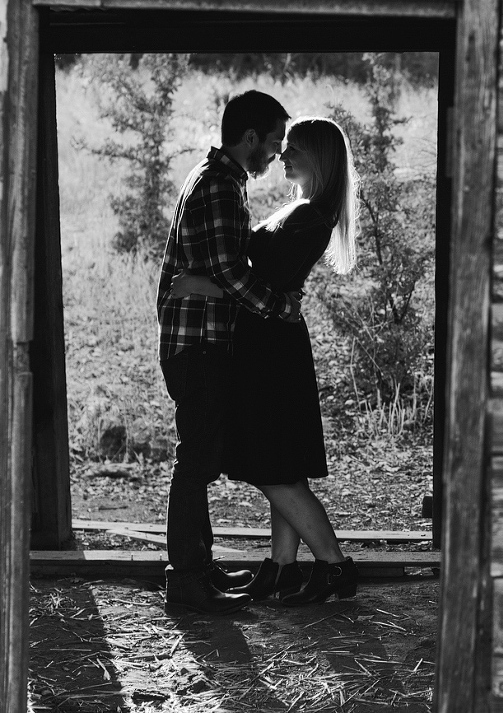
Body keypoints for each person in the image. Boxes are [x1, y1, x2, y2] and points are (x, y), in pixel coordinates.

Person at [171, 116, 360, 607]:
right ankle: (280, 566)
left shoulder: (311, 217)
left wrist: (196, 285)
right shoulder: (300, 208)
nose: (283, 155)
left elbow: (257, 286)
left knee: (273, 468)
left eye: (293, 148)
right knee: (280, 463)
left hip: (272, 349)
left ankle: (336, 566)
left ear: (318, 157)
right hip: (268, 343)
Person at [155, 90, 301, 615]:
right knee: (195, 459)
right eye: (273, 143)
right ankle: (187, 578)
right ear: (250, 138)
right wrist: (279, 307)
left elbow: (212, 275)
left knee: (202, 452)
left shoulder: (219, 178)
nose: (276, 154)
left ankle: (200, 564)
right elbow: (231, 273)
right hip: (196, 344)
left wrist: (204, 285)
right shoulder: (219, 187)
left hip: (197, 339)